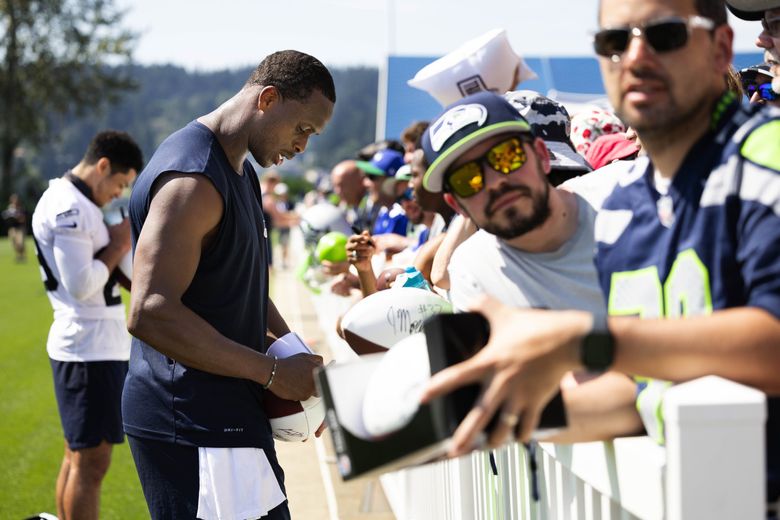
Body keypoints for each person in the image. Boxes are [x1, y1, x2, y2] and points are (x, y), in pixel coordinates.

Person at [422, 0, 780, 509]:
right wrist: (477, 413)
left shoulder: (769, 157)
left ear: (721, 47)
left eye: (665, 35)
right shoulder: (623, 210)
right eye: (614, 42)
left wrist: (580, 340)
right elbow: (644, 393)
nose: (634, 57)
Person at [123, 50, 334, 519]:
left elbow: (242, 291)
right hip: (193, 420)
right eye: (303, 129)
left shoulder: (241, 170)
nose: (303, 147)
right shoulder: (194, 178)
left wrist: (298, 369)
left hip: (227, 416)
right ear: (269, 98)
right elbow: (150, 311)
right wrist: (275, 374)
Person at [421, 91, 640, 440]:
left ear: (541, 155)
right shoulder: (472, 268)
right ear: (456, 204)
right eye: (468, 179)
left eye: (506, 157)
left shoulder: (632, 192)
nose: (495, 181)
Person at [31, 130, 143, 520]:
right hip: (86, 347)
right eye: (120, 183)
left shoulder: (77, 201)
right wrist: (118, 243)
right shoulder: (69, 205)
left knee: (78, 456)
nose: (119, 193)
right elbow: (81, 285)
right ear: (102, 166)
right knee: (90, 463)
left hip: (94, 346)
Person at [3, 193, 27, 261]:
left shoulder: (21, 208)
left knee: (20, 242)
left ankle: (22, 256)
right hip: (12, 228)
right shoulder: (10, 207)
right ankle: (18, 256)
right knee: (14, 243)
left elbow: (23, 219)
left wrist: (17, 216)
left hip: (20, 227)